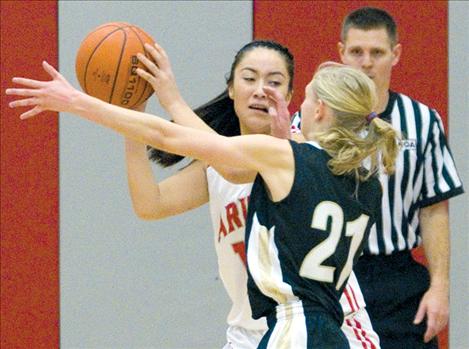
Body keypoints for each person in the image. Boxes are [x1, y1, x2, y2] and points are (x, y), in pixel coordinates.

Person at [6, 56, 400, 347]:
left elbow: (176, 139)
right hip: (327, 332)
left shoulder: (283, 157)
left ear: (319, 109)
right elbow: (229, 168)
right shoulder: (366, 184)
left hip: (296, 326)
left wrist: (78, 102)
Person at [133, 40, 380, 348]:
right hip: (249, 333)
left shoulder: (303, 151)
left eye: (274, 82)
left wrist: (172, 100)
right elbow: (150, 203)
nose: (261, 89)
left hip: (329, 323)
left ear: (290, 97)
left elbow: (231, 163)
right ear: (232, 89)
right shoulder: (215, 166)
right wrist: (132, 118)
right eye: (249, 78)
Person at [292, 7, 464, 348]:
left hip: (397, 279)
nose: (366, 63)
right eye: (356, 52)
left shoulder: (423, 121)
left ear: (395, 55)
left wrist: (440, 287)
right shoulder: (312, 118)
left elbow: (434, 210)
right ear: (341, 53)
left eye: (377, 53)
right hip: (330, 273)